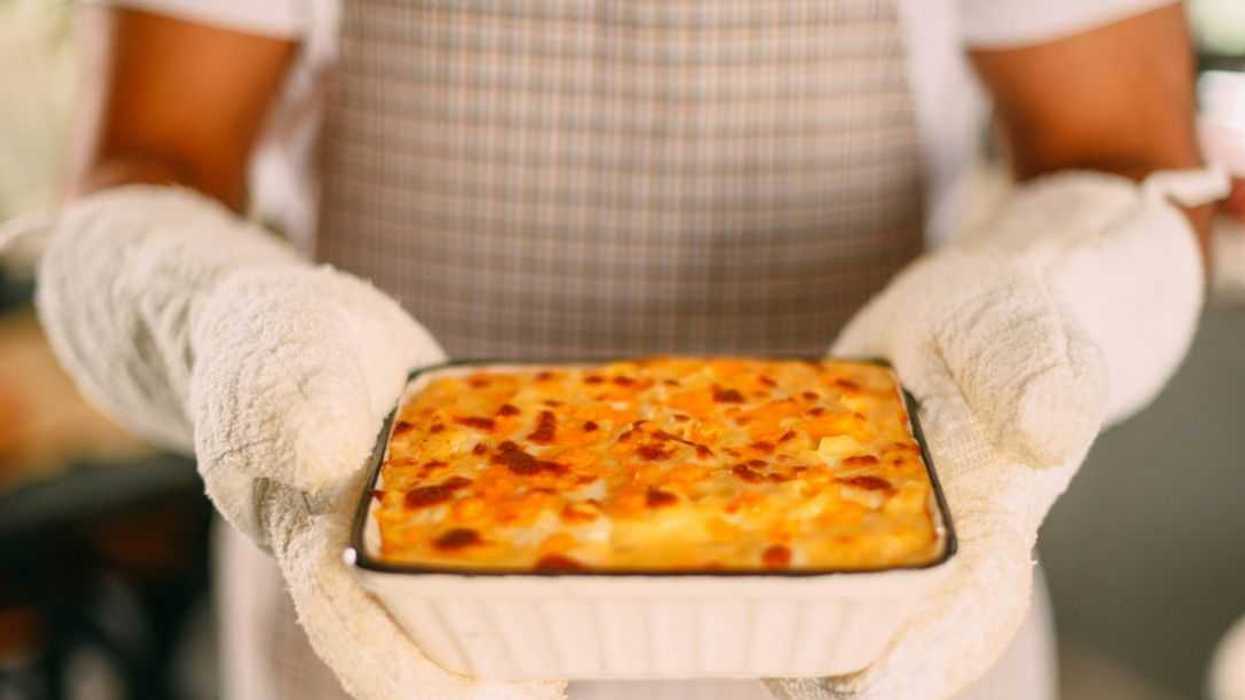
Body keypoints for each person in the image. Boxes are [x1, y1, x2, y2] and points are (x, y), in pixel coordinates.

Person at [18, 0, 1239, 698]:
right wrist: (220, 323)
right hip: (383, 582)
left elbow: (1130, 153)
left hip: (876, 589)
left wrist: (1053, 300)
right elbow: (153, 156)